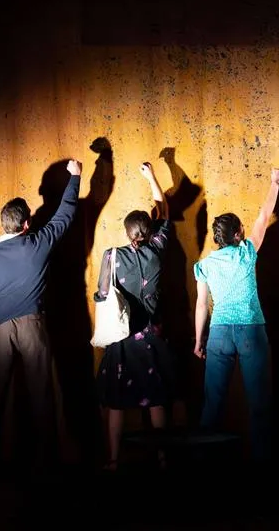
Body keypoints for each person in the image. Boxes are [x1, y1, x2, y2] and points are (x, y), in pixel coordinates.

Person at [0, 158, 83, 475]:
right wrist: (75, 177)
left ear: (4, 224)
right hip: (33, 325)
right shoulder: (37, 243)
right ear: (26, 224)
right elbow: (65, 214)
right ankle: (46, 466)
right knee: (41, 395)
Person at [193, 167, 279, 462]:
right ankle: (262, 466)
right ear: (237, 234)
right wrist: (274, 183)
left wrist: (199, 341)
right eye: (242, 228)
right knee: (259, 404)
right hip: (250, 331)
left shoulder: (205, 265)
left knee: (213, 404)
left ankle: (207, 465)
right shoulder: (246, 253)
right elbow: (264, 217)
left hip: (219, 333)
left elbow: (201, 305)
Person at [93, 161, 176, 472]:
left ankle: (114, 460)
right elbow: (164, 210)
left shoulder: (112, 256)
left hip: (122, 338)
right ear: (150, 231)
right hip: (151, 337)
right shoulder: (157, 251)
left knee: (116, 400)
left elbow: (102, 293)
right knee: (156, 398)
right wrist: (151, 176)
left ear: (127, 233)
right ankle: (163, 458)